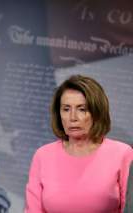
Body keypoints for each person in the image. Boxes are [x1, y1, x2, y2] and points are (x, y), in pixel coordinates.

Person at [25, 75, 132, 213]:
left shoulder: (122, 154)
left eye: (82, 109)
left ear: (97, 112)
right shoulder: (43, 156)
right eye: (66, 109)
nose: (73, 117)